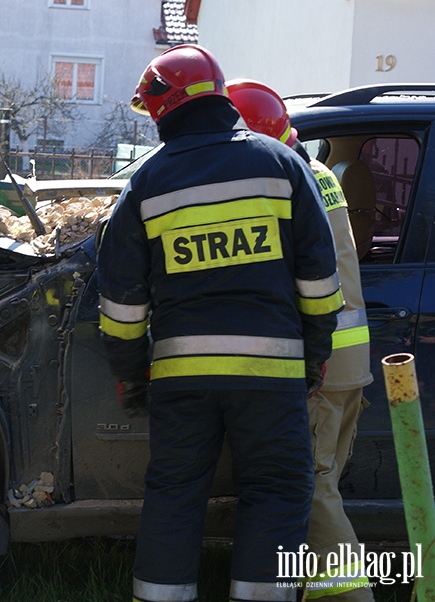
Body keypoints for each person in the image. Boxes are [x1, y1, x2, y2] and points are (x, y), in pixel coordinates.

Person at [95, 44, 342, 602]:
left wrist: (132, 375)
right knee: (278, 493)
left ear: (164, 109)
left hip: (181, 378)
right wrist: (315, 354)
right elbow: (320, 281)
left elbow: (123, 302)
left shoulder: (146, 183)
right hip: (273, 373)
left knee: (175, 494)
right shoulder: (282, 166)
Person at [228, 78, 374, 602]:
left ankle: (350, 597)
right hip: (349, 357)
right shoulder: (313, 171)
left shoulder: (286, 181)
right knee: (321, 484)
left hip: (326, 360)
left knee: (312, 494)